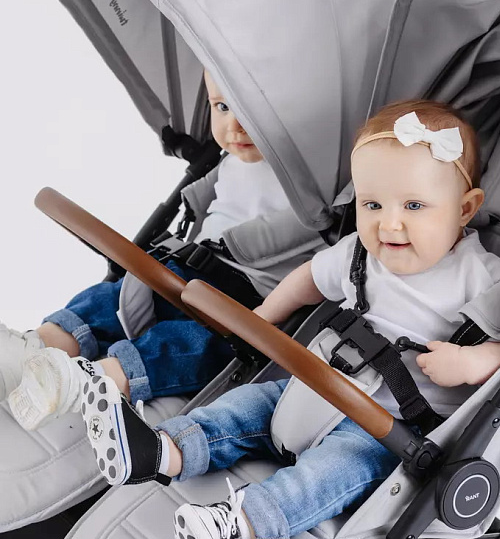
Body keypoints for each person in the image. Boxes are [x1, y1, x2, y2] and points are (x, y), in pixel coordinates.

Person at [48, 99, 500, 539]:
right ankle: (162, 450)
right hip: (314, 385)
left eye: (414, 206)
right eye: (372, 205)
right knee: (242, 408)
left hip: (386, 428)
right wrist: (263, 319)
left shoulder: (482, 276)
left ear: (465, 209)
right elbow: (308, 278)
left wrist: (474, 362)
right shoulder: (359, 251)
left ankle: (239, 522)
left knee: (332, 473)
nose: (389, 223)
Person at [3, 71, 319, 431]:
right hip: (178, 271)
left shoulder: (315, 180)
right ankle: (34, 349)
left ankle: (90, 382)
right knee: (108, 299)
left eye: (251, 110)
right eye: (222, 107)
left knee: (187, 345)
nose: (235, 126)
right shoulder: (227, 162)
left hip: (238, 303)